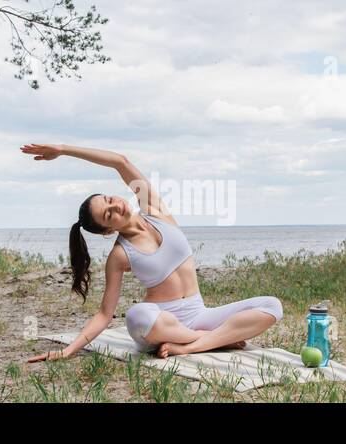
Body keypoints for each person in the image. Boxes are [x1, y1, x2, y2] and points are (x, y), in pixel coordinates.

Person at [22, 143, 283, 362]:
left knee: (272, 306)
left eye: (110, 200)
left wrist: (62, 150)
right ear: (107, 231)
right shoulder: (120, 255)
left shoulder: (155, 210)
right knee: (137, 315)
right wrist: (67, 351)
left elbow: (120, 162)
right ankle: (217, 339)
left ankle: (193, 345)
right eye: (108, 214)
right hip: (160, 324)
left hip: (199, 316)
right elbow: (104, 314)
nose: (116, 207)